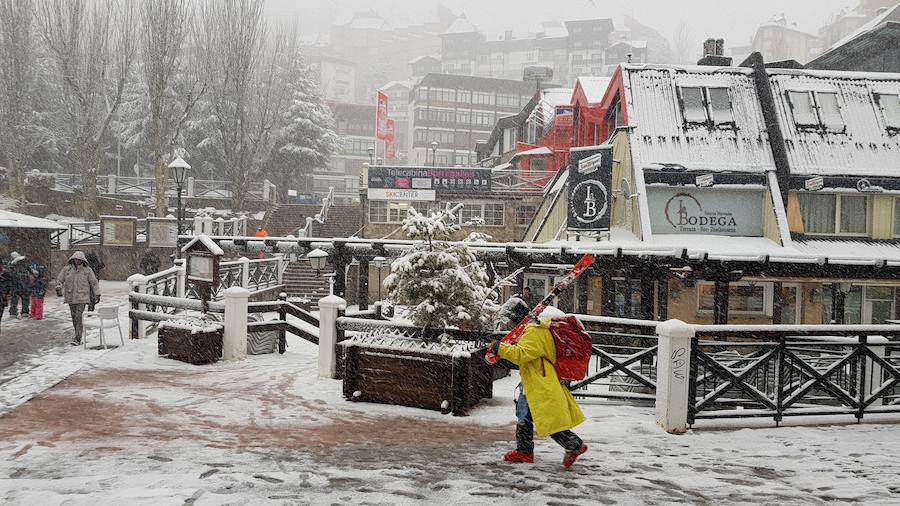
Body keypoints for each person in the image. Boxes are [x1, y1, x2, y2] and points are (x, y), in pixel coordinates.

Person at [489, 302, 588, 470]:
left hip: (540, 383)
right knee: (525, 415)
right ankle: (524, 451)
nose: (510, 325)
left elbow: (522, 354)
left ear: (517, 318)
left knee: (546, 420)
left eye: (511, 321)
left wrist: (499, 348)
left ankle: (574, 445)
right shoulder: (533, 329)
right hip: (534, 381)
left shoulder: (534, 331)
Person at [56, 251, 101, 345]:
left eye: (79, 259)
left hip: (82, 297)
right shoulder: (67, 270)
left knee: (78, 316)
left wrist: (97, 293)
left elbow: (94, 282)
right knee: (74, 317)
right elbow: (60, 280)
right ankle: (77, 333)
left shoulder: (87, 270)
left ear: (82, 260)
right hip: (70, 297)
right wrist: (59, 287)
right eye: (76, 259)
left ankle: (77, 338)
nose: (77, 261)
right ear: (72, 259)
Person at [8, 252, 31, 320]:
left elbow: (10, 275)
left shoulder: (12, 266)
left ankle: (14, 313)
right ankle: (23, 312)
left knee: (15, 300)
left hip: (18, 285)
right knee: (22, 299)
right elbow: (31, 271)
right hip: (22, 285)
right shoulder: (23, 264)